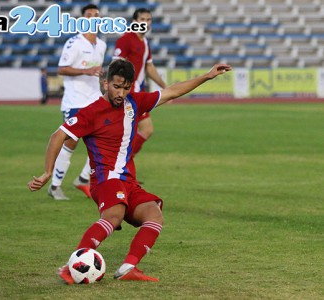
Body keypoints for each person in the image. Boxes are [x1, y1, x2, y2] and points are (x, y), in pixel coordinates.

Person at [28, 58, 232, 283]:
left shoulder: (135, 103)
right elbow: (57, 136)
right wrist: (48, 172)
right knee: (114, 216)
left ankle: (128, 268)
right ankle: (71, 266)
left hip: (128, 181)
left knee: (154, 216)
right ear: (106, 84)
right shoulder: (91, 112)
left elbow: (171, 92)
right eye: (116, 87)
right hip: (105, 180)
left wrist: (207, 76)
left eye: (126, 88)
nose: (121, 93)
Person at [48, 3, 106, 200]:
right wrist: (86, 71)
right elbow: (62, 68)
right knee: (71, 143)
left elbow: (96, 71)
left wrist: (101, 78)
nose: (93, 18)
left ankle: (83, 179)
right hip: (75, 101)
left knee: (103, 141)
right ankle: (55, 187)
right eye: (89, 15)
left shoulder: (101, 44)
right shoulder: (74, 43)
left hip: (95, 100)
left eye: (96, 15)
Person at [113, 8, 167, 158]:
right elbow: (116, 65)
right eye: (143, 19)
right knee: (130, 132)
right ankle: (118, 165)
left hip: (138, 92)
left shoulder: (144, 42)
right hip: (129, 93)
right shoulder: (126, 39)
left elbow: (149, 66)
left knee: (139, 131)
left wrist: (164, 86)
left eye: (149, 19)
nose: (146, 23)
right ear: (135, 22)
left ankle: (122, 166)